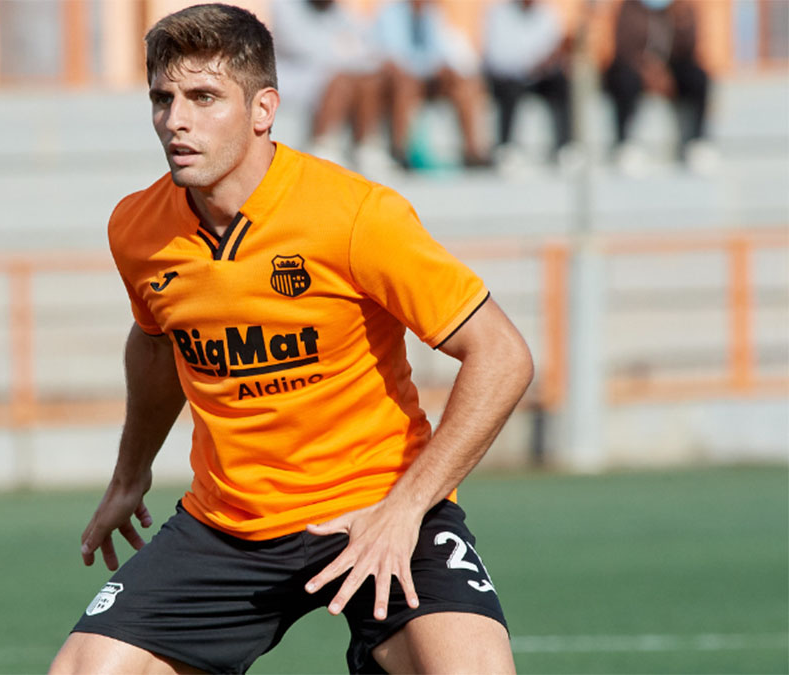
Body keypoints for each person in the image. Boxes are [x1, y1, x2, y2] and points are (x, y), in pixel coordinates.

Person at [49, 4, 533, 674]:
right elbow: (157, 341)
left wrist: (407, 508)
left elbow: (503, 353)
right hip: (229, 525)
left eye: (203, 97)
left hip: (379, 502)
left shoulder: (358, 216)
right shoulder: (137, 228)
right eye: (162, 98)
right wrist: (131, 472)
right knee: (82, 669)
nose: (175, 120)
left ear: (263, 109)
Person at [273, 0, 397, 182]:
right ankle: (323, 144)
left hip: (330, 73)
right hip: (296, 76)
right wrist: (346, 54)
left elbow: (359, 42)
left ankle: (367, 147)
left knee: (369, 81)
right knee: (340, 81)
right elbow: (304, 48)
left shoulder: (337, 10)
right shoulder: (285, 7)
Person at [372, 0, 492, 169]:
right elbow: (394, 56)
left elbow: (441, 49)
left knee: (464, 86)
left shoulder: (434, 13)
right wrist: (421, 70)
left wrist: (443, 69)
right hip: (403, 78)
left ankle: (472, 151)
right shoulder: (390, 14)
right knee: (405, 87)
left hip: (428, 77)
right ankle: (400, 151)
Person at [603, 0, 715, 176]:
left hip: (670, 67)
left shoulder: (680, 8)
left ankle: (698, 142)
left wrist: (682, 20)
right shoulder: (631, 7)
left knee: (698, 77)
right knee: (623, 80)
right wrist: (648, 71)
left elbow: (689, 48)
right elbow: (625, 48)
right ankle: (625, 144)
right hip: (637, 68)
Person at [482, 0, 577, 173]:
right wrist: (528, 65)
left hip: (539, 77)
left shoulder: (547, 14)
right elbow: (496, 58)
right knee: (509, 88)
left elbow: (553, 49)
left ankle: (564, 145)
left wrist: (545, 63)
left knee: (560, 82)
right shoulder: (498, 14)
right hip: (509, 76)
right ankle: (506, 147)